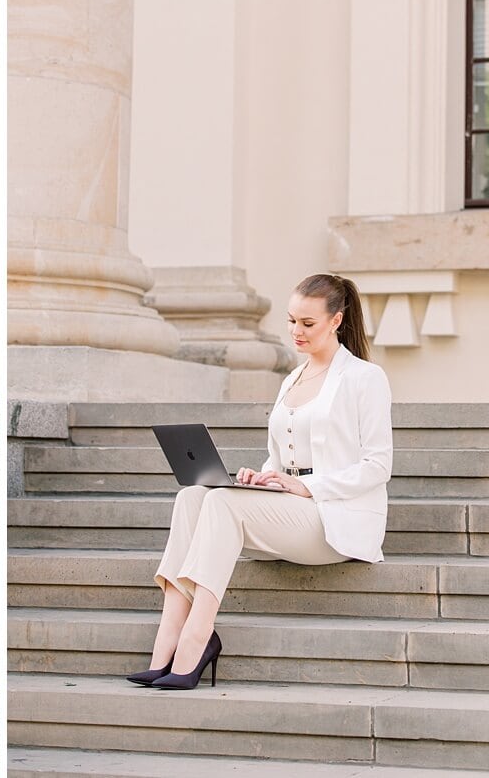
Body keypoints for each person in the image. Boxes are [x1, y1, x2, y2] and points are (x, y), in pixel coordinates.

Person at [128, 273, 392, 690]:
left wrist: (307, 486)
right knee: (194, 495)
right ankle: (166, 642)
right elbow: (282, 455)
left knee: (220, 504)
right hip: (294, 509)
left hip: (336, 519)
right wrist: (264, 477)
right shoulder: (292, 379)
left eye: (307, 323)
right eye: (291, 321)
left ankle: (197, 639)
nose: (296, 332)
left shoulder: (364, 378)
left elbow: (378, 466)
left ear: (336, 321)